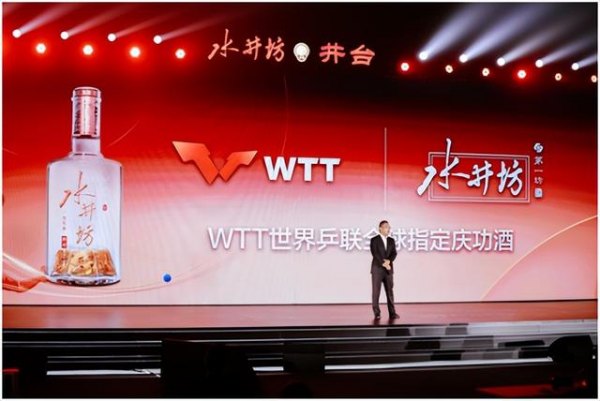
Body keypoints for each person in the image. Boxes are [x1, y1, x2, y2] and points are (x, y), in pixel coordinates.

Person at [370, 220, 399, 320]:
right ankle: (377, 313)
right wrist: (384, 263)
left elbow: (394, 253)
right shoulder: (374, 240)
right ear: (380, 228)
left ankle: (392, 313)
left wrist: (389, 261)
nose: (388, 229)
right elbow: (375, 253)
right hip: (377, 269)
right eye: (386, 227)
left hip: (388, 270)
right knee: (376, 292)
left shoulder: (391, 240)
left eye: (389, 227)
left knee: (390, 292)